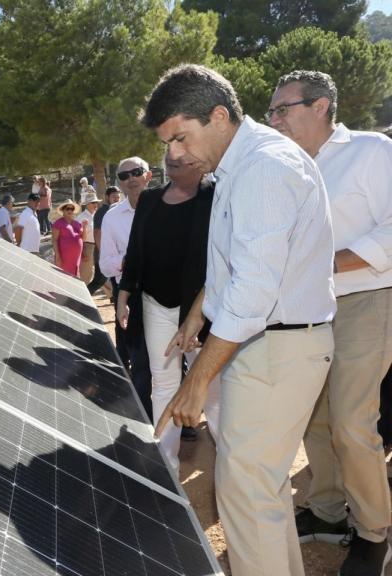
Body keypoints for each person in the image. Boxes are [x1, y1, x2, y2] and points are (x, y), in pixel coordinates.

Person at [145, 64, 336, 576]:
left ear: (220, 115)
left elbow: (253, 290)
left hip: (279, 348)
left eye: (181, 137)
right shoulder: (239, 168)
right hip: (268, 348)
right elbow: (233, 263)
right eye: (167, 143)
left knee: (245, 496)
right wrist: (197, 313)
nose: (175, 155)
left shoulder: (265, 169)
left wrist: (197, 381)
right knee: (260, 496)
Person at [267, 70, 392, 573]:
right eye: (271, 111)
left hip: (368, 299)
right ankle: (327, 512)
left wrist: (331, 261)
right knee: (314, 417)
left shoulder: (371, 152)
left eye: (282, 109)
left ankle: (373, 531)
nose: (273, 119)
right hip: (310, 308)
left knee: (350, 421)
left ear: (320, 106)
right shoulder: (288, 166)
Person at [115, 152, 220, 470]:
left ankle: (230, 466)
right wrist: (124, 293)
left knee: (213, 390)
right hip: (155, 304)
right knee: (163, 384)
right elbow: (135, 249)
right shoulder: (150, 199)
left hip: (203, 309)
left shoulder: (216, 194)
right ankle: (166, 466)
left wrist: (199, 310)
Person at [99, 158, 154, 418]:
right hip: (132, 298)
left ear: (148, 175)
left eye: (136, 172)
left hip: (170, 296)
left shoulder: (168, 207)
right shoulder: (112, 218)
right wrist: (127, 261)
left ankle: (182, 423)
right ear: (119, 183)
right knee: (141, 364)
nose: (130, 178)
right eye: (123, 176)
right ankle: (147, 422)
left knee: (176, 362)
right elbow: (106, 265)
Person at [89, 186, 121, 296]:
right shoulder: (102, 211)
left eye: (118, 197)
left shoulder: (116, 210)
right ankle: (81, 298)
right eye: (114, 197)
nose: (116, 199)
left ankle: (116, 300)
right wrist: (103, 252)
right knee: (99, 280)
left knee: (112, 280)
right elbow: (97, 232)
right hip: (103, 253)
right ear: (107, 197)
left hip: (114, 253)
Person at [51, 200, 83, 277]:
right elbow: (54, 240)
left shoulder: (77, 223)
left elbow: (82, 238)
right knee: (63, 277)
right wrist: (57, 256)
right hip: (64, 256)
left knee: (74, 277)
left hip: (76, 257)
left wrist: (84, 227)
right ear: (63, 210)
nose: (70, 210)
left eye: (72, 209)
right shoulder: (58, 223)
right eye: (67, 209)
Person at [76, 192, 99, 283]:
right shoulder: (81, 218)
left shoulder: (96, 215)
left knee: (100, 275)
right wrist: (82, 252)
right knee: (86, 275)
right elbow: (77, 237)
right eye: (93, 202)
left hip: (96, 246)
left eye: (96, 202)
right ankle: (82, 296)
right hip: (87, 247)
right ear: (87, 204)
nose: (96, 204)